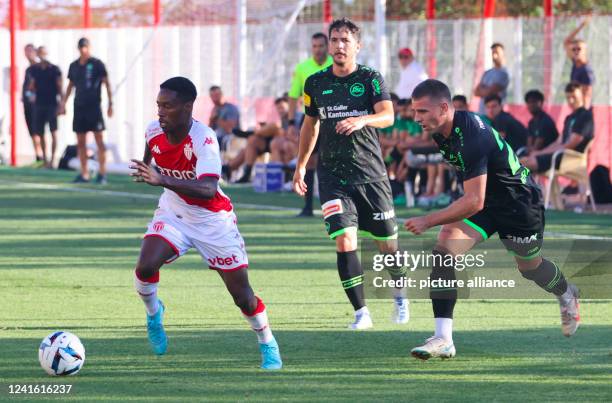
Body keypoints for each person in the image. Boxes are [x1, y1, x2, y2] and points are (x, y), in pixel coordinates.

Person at [405, 79, 580, 360]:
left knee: (530, 269)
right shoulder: (442, 130)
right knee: (444, 252)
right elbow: (476, 194)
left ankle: (567, 291)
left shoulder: (471, 135)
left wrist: (430, 219)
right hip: (487, 203)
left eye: (423, 112)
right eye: (415, 111)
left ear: (444, 107)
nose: (417, 118)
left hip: (519, 205)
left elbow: (474, 200)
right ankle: (444, 339)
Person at [129, 77, 282, 370]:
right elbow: (151, 157)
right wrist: (147, 170)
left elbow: (209, 188)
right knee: (145, 265)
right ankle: (154, 314)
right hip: (174, 213)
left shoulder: (204, 138)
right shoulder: (153, 131)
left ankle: (267, 342)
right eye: (158, 105)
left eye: (167, 106)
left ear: (188, 107)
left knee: (243, 297)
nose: (160, 112)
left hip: (214, 222)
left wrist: (161, 179)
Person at [293, 18, 409, 329]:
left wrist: (362, 120)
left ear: (357, 46)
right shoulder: (315, 83)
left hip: (370, 174)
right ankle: (362, 313)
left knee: (388, 245)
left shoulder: (371, 78)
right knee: (345, 240)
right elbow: (310, 125)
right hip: (332, 176)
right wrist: (301, 164)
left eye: (345, 40)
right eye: (334, 40)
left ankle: (399, 292)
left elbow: (388, 116)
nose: (339, 46)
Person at [287, 32, 333, 217]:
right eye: (314, 46)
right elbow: (293, 96)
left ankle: (337, 206)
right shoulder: (302, 68)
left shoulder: (336, 64)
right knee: (309, 160)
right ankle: (307, 206)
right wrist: (290, 122)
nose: (318, 50)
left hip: (333, 120)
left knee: (333, 162)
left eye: (321, 46)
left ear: (327, 46)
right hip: (311, 119)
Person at [61, 37, 113, 184]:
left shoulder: (97, 64)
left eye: (86, 47)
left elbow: (107, 83)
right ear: (78, 49)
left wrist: (110, 104)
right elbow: (70, 86)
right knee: (81, 142)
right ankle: (84, 174)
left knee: (99, 141)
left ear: (89, 47)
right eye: (81, 47)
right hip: (79, 108)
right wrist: (63, 104)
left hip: (94, 108)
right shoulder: (74, 66)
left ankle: (102, 173)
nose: (83, 50)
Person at [521, 83, 593, 174]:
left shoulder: (585, 116)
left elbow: (569, 145)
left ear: (582, 96)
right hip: (558, 155)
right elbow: (558, 142)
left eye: (574, 97)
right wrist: (540, 152)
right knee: (520, 162)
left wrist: (541, 153)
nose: (570, 101)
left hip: (569, 158)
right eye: (568, 97)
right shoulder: (569, 118)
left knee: (522, 164)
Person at [225, 97, 301, 182]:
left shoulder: (297, 117)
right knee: (252, 140)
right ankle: (244, 174)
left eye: (282, 108)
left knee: (274, 128)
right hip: (273, 142)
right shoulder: (283, 118)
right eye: (278, 108)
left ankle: (250, 134)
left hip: (284, 143)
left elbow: (296, 135)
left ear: (289, 106)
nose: (280, 110)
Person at [29, 46, 63, 168]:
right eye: (40, 54)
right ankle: (45, 159)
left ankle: (53, 160)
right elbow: (31, 87)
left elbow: (60, 87)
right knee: (40, 133)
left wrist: (61, 104)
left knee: (53, 132)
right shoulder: (34, 70)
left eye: (44, 53)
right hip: (39, 104)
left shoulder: (54, 69)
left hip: (52, 105)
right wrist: (30, 93)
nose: (42, 56)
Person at [563, 16, 594, 109]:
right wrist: (581, 26)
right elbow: (567, 42)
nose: (576, 51)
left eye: (579, 49)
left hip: (582, 111)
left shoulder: (586, 71)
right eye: (574, 49)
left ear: (585, 51)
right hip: (576, 110)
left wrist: (582, 114)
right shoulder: (576, 63)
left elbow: (587, 95)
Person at [473, 43, 510, 114]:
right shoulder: (487, 72)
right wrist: (487, 90)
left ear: (503, 54)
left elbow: (492, 91)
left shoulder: (504, 73)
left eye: (497, 53)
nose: (494, 56)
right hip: (482, 113)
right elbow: (476, 92)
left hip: (497, 115)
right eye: (493, 53)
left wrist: (483, 89)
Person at [22, 44, 42, 165]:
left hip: (36, 106)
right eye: (26, 51)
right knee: (32, 131)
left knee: (37, 131)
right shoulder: (29, 69)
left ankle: (42, 157)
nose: (28, 54)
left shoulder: (38, 68)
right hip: (27, 104)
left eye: (30, 51)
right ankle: (38, 157)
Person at [524, 89, 559, 154]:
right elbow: (529, 142)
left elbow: (537, 146)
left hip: (548, 154)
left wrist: (530, 154)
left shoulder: (545, 121)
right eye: (528, 102)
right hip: (536, 154)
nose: (531, 105)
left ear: (541, 103)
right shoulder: (531, 122)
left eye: (534, 102)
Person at [208, 85, 240, 151]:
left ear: (221, 94)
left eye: (216, 95)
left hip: (229, 139)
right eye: (212, 96)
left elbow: (231, 129)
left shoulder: (230, 108)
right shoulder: (214, 109)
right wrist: (211, 120)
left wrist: (216, 119)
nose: (214, 98)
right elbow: (210, 130)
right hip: (218, 138)